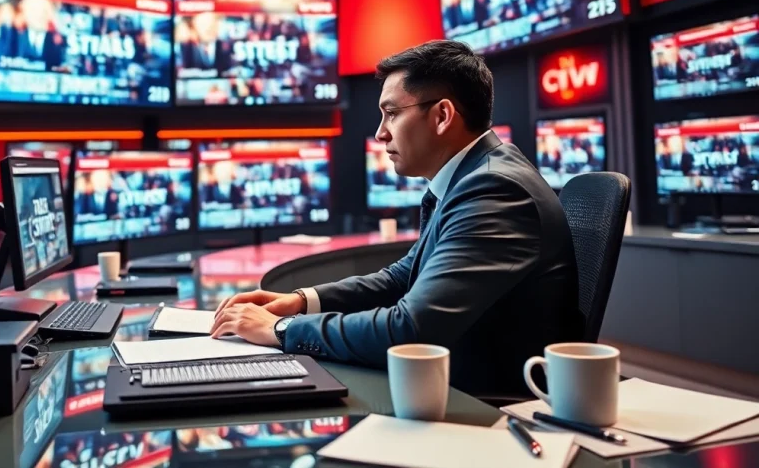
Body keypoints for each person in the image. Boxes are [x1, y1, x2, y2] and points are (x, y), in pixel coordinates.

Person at [211, 40, 584, 396]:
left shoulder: (493, 190)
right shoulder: (476, 175)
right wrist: (301, 301)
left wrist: (282, 329)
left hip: (484, 401)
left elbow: (410, 330)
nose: (379, 132)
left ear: (442, 116)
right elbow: (404, 276)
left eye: (391, 113)